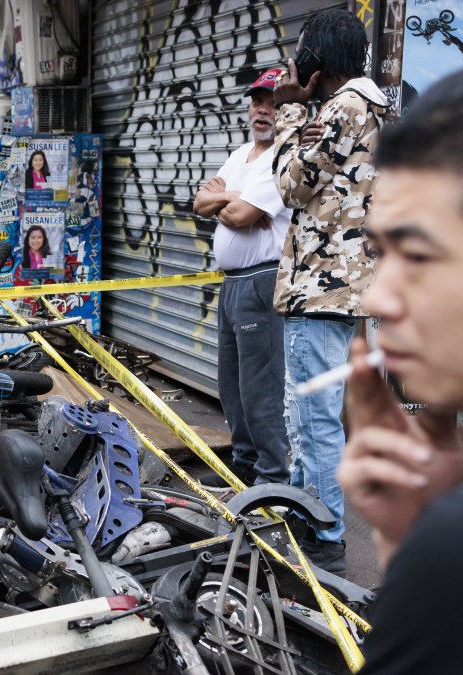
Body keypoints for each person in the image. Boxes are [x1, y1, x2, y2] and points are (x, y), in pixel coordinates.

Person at [337, 58, 463, 674]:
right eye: (379, 255)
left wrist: (427, 554)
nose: (377, 300)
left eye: (419, 256)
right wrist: (415, 533)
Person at [270, 8, 389, 576]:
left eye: (302, 52)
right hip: (332, 288)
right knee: (307, 416)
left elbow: (291, 184)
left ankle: (324, 538)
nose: (295, 64)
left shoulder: (345, 107)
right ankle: (307, 521)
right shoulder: (365, 107)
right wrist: (304, 123)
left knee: (314, 420)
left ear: (319, 58)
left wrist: (290, 110)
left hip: (321, 288)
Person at [193, 68, 292, 490]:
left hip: (262, 280)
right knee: (232, 387)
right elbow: (200, 203)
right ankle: (245, 468)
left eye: (272, 103)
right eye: (257, 102)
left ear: (287, 110)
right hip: (233, 283)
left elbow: (238, 215)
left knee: (260, 389)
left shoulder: (283, 156)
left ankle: (272, 478)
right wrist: (231, 197)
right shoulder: (240, 155)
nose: (262, 110)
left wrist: (227, 201)